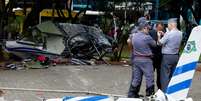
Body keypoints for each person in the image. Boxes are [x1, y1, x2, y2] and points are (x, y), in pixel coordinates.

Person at [128, 20, 156, 98]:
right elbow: (154, 44)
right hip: (146, 60)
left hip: (136, 59)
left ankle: (132, 94)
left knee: (136, 78)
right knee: (149, 77)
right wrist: (159, 36)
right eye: (147, 29)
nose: (148, 30)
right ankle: (150, 94)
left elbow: (129, 43)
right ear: (143, 28)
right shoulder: (147, 37)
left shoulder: (134, 36)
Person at [157, 18, 183, 92]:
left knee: (165, 75)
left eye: (168, 25)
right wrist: (164, 34)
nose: (167, 27)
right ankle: (173, 91)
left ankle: (165, 92)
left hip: (167, 57)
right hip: (176, 56)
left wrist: (159, 36)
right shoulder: (180, 33)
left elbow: (160, 43)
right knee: (173, 75)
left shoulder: (169, 34)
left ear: (171, 25)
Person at [149, 22, 164, 89]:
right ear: (156, 27)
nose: (160, 29)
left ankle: (159, 89)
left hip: (160, 57)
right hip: (152, 56)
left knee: (160, 74)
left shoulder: (164, 33)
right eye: (159, 28)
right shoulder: (151, 32)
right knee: (150, 74)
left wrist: (163, 35)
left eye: (161, 28)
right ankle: (150, 89)